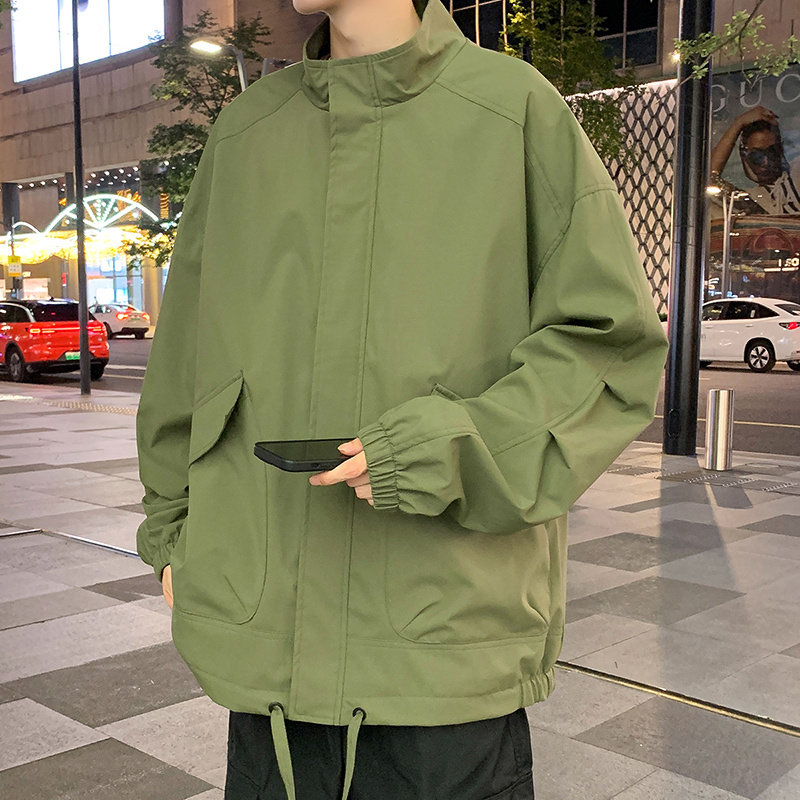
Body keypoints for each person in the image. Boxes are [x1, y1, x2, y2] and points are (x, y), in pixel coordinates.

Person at [135, 1, 668, 798]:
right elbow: (187, 355)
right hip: (267, 653)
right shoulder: (248, 131)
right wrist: (172, 534)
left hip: (443, 647)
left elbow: (607, 348)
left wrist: (446, 448)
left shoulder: (513, 110)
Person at [710, 104, 800, 215]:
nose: (766, 162)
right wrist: (739, 123)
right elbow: (709, 178)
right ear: (745, 157)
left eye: (772, 151)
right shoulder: (751, 198)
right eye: (757, 156)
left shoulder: (796, 174)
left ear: (780, 150)